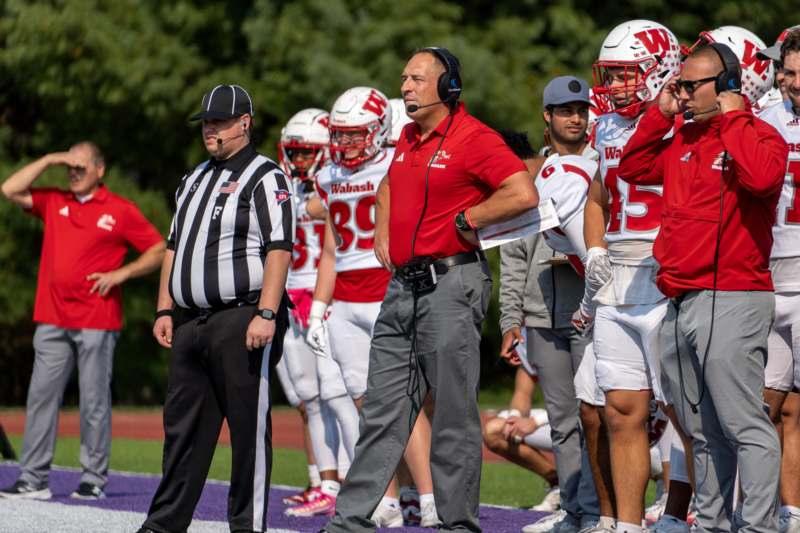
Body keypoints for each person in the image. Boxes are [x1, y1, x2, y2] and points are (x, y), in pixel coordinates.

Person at [322, 46, 537, 533]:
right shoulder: (406, 136)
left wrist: (470, 218)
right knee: (381, 408)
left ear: (448, 87)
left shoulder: (474, 137)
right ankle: (349, 519)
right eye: (404, 79)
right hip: (403, 286)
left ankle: (457, 523)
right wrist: (382, 226)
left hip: (452, 281)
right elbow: (390, 185)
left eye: (418, 79)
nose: (406, 87)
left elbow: (523, 192)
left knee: (454, 412)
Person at [618, 43, 788, 532]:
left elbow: (761, 177)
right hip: (681, 299)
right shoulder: (682, 138)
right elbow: (631, 169)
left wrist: (734, 118)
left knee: (744, 425)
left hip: (732, 295)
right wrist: (659, 113)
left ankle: (758, 526)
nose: (682, 94)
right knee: (701, 429)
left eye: (692, 86)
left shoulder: (756, 133)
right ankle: (711, 524)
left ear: (729, 86)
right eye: (679, 84)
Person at [137, 84, 294, 533]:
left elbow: (279, 248)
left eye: (219, 121)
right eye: (206, 121)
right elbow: (174, 247)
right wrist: (164, 308)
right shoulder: (193, 177)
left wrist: (266, 314)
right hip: (190, 322)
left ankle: (247, 526)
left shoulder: (266, 176)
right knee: (182, 432)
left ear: (245, 122)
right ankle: (164, 525)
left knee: (247, 433)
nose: (210, 129)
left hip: (242, 316)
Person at [0, 142, 165, 500]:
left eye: (81, 167)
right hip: (52, 317)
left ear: (100, 170)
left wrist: (123, 274)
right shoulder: (54, 201)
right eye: (70, 168)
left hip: (97, 319)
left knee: (93, 403)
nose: (74, 173)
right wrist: (49, 158)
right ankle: (33, 479)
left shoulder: (120, 210)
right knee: (40, 397)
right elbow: (9, 189)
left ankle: (92, 480)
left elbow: (158, 248)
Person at [583, 20, 683, 533]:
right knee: (622, 411)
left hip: (665, 276)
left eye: (627, 75)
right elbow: (597, 195)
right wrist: (595, 246)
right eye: (613, 75)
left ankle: (686, 516)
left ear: (660, 70)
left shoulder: (684, 119)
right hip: (618, 280)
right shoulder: (603, 126)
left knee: (687, 414)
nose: (616, 85)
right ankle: (626, 524)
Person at [495, 80, 603, 533]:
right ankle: (572, 510)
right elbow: (515, 252)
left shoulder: (602, 163)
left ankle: (602, 512)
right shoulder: (531, 173)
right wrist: (509, 319)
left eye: (581, 109)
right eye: (564, 110)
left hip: (592, 308)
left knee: (595, 414)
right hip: (541, 313)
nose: (574, 118)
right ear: (547, 116)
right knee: (562, 419)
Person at [276, 108, 352, 509]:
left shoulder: (338, 179)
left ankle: (347, 482)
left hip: (329, 296)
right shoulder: (285, 183)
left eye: (307, 152)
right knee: (305, 395)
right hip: (291, 294)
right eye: (295, 152)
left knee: (338, 393)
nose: (300, 160)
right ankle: (321, 481)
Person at [757, 30, 800, 533]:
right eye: (784, 72)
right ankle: (778, 511)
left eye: (794, 72)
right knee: (762, 405)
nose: (786, 82)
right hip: (767, 274)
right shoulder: (765, 117)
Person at [482, 366, 559, 508]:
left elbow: (576, 401)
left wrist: (536, 421)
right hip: (555, 420)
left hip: (585, 423)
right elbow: (522, 394)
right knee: (495, 430)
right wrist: (515, 418)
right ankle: (559, 485)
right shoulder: (530, 348)